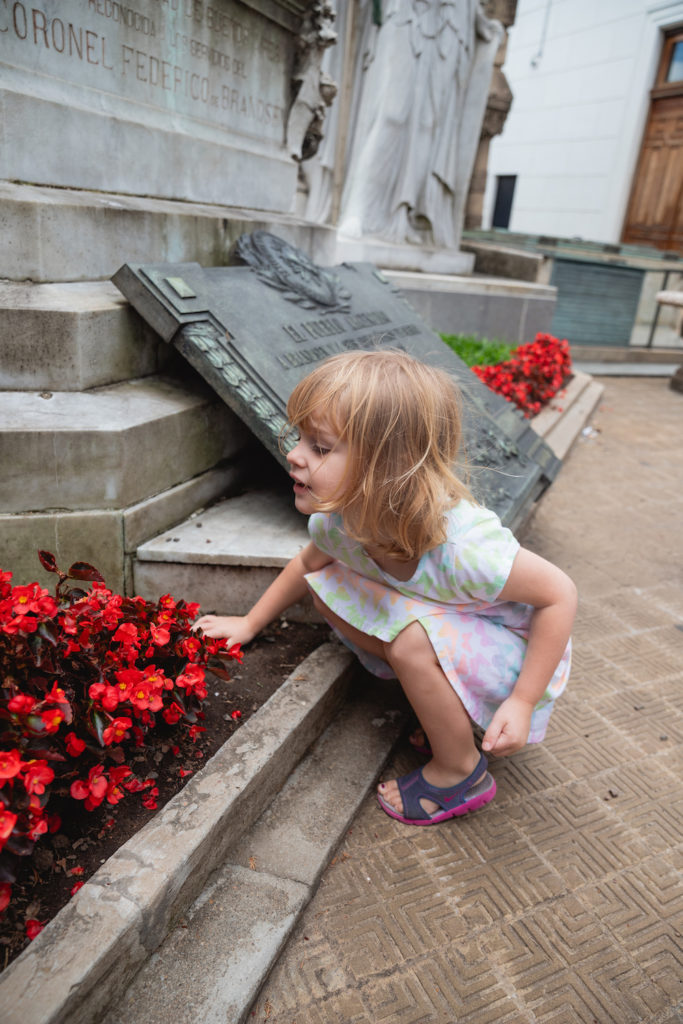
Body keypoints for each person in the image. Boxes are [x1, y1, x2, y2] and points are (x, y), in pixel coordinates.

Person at [194, 351, 576, 827]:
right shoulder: (338, 521)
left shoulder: (463, 546)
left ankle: (460, 772)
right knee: (325, 585)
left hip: (521, 655)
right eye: (300, 439)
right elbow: (307, 564)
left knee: (412, 642)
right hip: (462, 631)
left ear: (388, 467)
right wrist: (250, 623)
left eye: (320, 446)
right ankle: (446, 707)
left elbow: (560, 594)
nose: (294, 454)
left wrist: (521, 702)